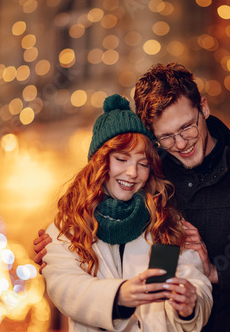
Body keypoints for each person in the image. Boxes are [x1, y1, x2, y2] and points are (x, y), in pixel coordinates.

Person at [34, 63, 230, 331]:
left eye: (187, 127)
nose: (180, 143)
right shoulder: (149, 175)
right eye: (166, 137)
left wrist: (216, 271)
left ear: (203, 107)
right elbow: (99, 217)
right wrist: (58, 244)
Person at [39, 94, 212, 332]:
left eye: (143, 164)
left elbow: (196, 281)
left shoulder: (165, 221)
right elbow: (64, 287)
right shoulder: (68, 229)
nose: (132, 173)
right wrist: (120, 296)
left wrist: (191, 304)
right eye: (121, 159)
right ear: (100, 163)